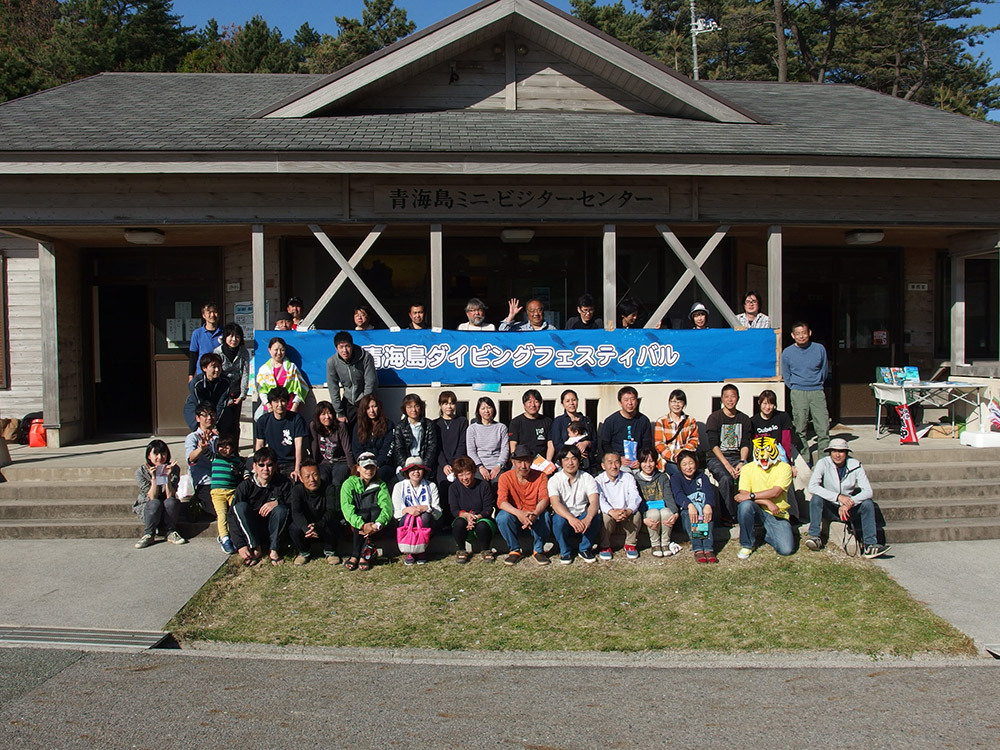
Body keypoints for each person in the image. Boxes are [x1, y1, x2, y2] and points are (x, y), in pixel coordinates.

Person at [805, 438, 889, 558]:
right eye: (834, 451)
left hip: (849, 509)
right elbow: (812, 487)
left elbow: (868, 491)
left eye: (841, 451)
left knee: (868, 504)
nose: (837, 455)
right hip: (830, 506)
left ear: (846, 453)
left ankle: (870, 545)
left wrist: (850, 502)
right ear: (830, 452)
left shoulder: (856, 465)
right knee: (816, 499)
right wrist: (837, 497)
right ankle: (814, 536)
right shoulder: (823, 463)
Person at [229, 447, 291, 567]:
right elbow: (232, 515)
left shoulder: (284, 483)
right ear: (254, 466)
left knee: (282, 509)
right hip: (252, 530)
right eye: (261, 465)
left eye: (269, 465)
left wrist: (278, 502)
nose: (265, 469)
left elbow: (293, 505)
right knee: (240, 506)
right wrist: (240, 545)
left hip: (274, 530)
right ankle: (254, 547)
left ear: (275, 466)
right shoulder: (245, 486)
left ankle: (274, 550)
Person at [734, 436, 795, 559]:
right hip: (757, 509)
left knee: (786, 549)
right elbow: (743, 495)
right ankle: (747, 545)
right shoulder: (747, 468)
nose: (763, 456)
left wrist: (752, 496)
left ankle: (768, 534)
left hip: (777, 513)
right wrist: (767, 502)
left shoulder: (785, 468)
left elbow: (775, 492)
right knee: (745, 506)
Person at [781, 321, 831, 461]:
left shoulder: (819, 349)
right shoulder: (787, 352)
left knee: (822, 426)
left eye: (804, 333)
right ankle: (805, 458)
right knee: (800, 427)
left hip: (817, 391)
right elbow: (786, 373)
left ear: (809, 333)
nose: (801, 336)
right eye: (798, 334)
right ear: (793, 335)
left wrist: (817, 382)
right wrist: (794, 386)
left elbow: (824, 370)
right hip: (798, 391)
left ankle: (824, 459)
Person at [496, 445, 552, 566]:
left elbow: (544, 498)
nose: (523, 466)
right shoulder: (505, 477)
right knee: (502, 517)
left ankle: (538, 550)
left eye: (526, 461)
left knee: (545, 515)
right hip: (515, 516)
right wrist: (519, 513)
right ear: (513, 462)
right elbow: (501, 502)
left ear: (531, 462)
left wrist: (535, 513)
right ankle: (514, 550)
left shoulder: (541, 476)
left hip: (534, 514)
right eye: (519, 462)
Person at [705, 384, 753, 524]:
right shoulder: (714, 418)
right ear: (722, 399)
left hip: (738, 457)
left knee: (749, 474)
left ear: (738, 398)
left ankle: (748, 513)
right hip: (717, 458)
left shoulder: (744, 419)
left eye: (733, 396)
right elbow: (713, 444)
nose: (730, 400)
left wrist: (742, 462)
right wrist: (726, 464)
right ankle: (728, 515)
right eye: (726, 397)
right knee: (725, 478)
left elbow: (745, 443)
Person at [340, 452, 393, 571]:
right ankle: (356, 554)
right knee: (361, 514)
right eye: (366, 467)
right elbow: (347, 509)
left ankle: (364, 555)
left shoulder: (381, 485)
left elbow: (387, 507)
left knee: (375, 511)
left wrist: (377, 525)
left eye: (372, 467)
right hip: (355, 525)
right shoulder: (348, 484)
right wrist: (362, 525)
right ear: (358, 468)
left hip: (375, 525)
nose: (369, 471)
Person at [548, 445, 600, 564]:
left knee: (595, 516)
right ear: (561, 462)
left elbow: (594, 501)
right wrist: (570, 518)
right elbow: (555, 504)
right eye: (566, 459)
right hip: (565, 516)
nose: (570, 463)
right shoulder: (554, 480)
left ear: (579, 460)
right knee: (558, 520)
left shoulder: (587, 477)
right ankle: (565, 551)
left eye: (574, 458)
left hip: (582, 515)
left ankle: (585, 549)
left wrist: (588, 518)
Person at [289, 459, 342, 566]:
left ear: (320, 474)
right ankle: (304, 552)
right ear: (301, 478)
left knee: (334, 523)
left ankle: (330, 552)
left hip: (323, 525)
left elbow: (331, 511)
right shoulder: (297, 490)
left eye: (315, 475)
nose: (312, 479)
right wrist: (306, 528)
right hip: (307, 530)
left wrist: (318, 525)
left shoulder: (329, 488)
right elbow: (296, 512)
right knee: (294, 527)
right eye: (307, 476)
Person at [133, 439, 184, 549]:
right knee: (155, 503)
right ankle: (149, 534)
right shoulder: (141, 472)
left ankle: (170, 532)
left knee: (171, 502)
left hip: (167, 507)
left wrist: (167, 476)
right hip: (149, 507)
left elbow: (170, 495)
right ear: (149, 455)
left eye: (163, 453)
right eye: (155, 454)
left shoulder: (174, 469)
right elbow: (152, 497)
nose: (160, 457)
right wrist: (154, 478)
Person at [391, 456, 442, 565]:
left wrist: (427, 508)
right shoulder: (399, 487)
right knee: (408, 517)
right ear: (407, 472)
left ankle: (421, 550)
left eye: (419, 469)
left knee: (425, 516)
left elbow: (438, 513)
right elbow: (396, 513)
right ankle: (409, 551)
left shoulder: (431, 486)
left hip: (426, 523)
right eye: (412, 470)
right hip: (407, 524)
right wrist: (407, 510)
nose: (416, 472)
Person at [670, 450, 718, 563]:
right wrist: (689, 505)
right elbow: (678, 495)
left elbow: (709, 493)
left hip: (701, 512)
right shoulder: (676, 478)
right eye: (684, 464)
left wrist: (708, 505)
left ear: (696, 463)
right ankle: (698, 548)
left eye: (690, 463)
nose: (688, 467)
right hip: (685, 516)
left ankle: (708, 548)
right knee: (691, 514)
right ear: (679, 466)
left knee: (706, 513)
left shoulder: (702, 477)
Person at [448, 455, 497, 563]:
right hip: (464, 519)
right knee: (459, 523)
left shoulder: (483, 486)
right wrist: (466, 516)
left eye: (467, 473)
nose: (464, 478)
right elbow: (454, 510)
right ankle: (461, 550)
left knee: (482, 525)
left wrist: (476, 517)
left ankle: (486, 550)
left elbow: (488, 508)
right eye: (460, 475)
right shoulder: (453, 488)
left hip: (481, 518)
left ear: (473, 473)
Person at [254, 385, 308, 481]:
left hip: (291, 462)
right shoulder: (263, 421)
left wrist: (297, 469)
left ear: (287, 402)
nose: (280, 405)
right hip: (271, 462)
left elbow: (298, 445)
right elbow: (259, 445)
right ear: (271, 403)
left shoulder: (296, 419)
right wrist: (259, 467)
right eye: (276, 401)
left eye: (283, 401)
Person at [595, 450, 643, 560]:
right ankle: (605, 546)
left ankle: (630, 544)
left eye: (616, 462)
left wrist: (628, 510)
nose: (614, 466)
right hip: (610, 514)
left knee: (636, 514)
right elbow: (600, 500)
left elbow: (635, 496)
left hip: (625, 514)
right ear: (603, 466)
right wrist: (612, 512)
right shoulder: (598, 480)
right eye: (610, 463)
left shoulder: (628, 477)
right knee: (605, 517)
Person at [635, 447, 679, 557]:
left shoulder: (662, 477)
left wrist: (675, 513)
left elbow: (668, 496)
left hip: (662, 509)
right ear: (639, 463)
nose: (648, 465)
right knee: (653, 513)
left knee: (667, 512)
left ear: (656, 462)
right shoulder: (636, 479)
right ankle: (655, 544)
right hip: (648, 513)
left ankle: (665, 543)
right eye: (644, 462)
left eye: (651, 461)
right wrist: (644, 518)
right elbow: (638, 502)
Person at [326, 330, 378, 424]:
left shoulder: (366, 357)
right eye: (341, 347)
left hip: (366, 402)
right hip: (348, 402)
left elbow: (370, 382)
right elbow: (333, 388)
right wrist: (339, 412)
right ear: (336, 348)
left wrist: (364, 404)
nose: (345, 350)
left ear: (352, 346)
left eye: (347, 346)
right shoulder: (332, 362)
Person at [598, 386, 653, 470]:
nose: (630, 403)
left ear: (637, 401)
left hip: (638, 462)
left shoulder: (644, 420)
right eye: (626, 400)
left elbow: (647, 444)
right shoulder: (611, 421)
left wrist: (640, 460)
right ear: (620, 403)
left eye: (632, 399)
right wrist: (618, 458)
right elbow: (605, 445)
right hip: (618, 463)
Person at [435, 390, 468, 519]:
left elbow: (462, 444)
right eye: (445, 403)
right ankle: (445, 521)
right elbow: (437, 447)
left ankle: (459, 518)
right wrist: (444, 465)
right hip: (442, 464)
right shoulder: (435, 424)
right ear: (440, 405)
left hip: (458, 462)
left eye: (452, 403)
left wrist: (455, 465)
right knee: (443, 486)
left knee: (458, 486)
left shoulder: (462, 421)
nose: (449, 406)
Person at [255, 337, 308, 416]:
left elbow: (301, 389)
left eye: (282, 350)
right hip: (270, 410)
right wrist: (269, 406)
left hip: (289, 409)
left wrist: (294, 406)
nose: (279, 353)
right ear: (269, 350)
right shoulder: (263, 370)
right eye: (276, 350)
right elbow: (261, 391)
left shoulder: (292, 368)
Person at [214, 322, 251, 438]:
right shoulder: (218, 352)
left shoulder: (243, 352)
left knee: (234, 424)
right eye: (231, 336)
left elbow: (245, 373)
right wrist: (225, 397)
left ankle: (234, 448)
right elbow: (216, 375)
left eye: (237, 336)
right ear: (225, 337)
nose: (234, 339)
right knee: (223, 422)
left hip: (236, 390)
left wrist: (242, 395)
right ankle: (222, 446)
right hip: (221, 390)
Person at [390, 393, 439, 477]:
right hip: (407, 463)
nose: (413, 410)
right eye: (409, 407)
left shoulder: (429, 425)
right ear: (404, 409)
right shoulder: (400, 426)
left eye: (416, 406)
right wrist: (406, 467)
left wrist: (424, 467)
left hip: (423, 462)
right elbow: (399, 449)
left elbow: (432, 448)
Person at [210, 434, 244, 554]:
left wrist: (243, 474)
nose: (224, 449)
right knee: (222, 514)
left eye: (227, 446)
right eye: (221, 446)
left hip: (231, 491)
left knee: (234, 512)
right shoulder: (214, 457)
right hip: (217, 493)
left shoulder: (236, 461)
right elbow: (205, 453)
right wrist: (203, 446)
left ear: (233, 448)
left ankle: (233, 535)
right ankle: (224, 539)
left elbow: (244, 469)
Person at [653, 388, 699, 476]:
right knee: (679, 474)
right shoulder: (661, 421)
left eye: (679, 402)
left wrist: (683, 453)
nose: (676, 405)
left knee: (693, 473)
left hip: (686, 458)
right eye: (673, 401)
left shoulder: (690, 420)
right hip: (667, 459)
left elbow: (694, 440)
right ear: (669, 403)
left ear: (684, 404)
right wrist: (673, 457)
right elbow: (659, 444)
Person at [184, 402, 219, 518]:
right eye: (205, 415)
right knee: (218, 510)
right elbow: (190, 459)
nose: (209, 418)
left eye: (212, 414)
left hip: (221, 481)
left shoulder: (218, 437)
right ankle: (198, 504)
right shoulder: (193, 437)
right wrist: (201, 449)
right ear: (198, 418)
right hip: (204, 483)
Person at [351, 393, 395, 485]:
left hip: (383, 465)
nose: (371, 410)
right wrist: (365, 464)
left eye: (374, 406)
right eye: (368, 408)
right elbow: (356, 450)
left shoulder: (388, 425)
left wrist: (375, 465)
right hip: (364, 464)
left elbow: (387, 450)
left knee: (380, 475)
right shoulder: (358, 426)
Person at [466, 396, 509, 486]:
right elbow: (471, 451)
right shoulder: (472, 428)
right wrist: (480, 467)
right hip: (479, 466)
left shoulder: (501, 427)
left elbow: (505, 449)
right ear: (478, 411)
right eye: (483, 408)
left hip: (497, 465)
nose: (486, 411)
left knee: (499, 483)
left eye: (489, 407)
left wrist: (498, 466)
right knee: (481, 485)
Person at [309, 400, 353, 487]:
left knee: (337, 480)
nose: (327, 417)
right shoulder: (314, 426)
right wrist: (313, 466)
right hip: (324, 462)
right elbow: (314, 446)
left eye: (329, 413)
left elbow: (347, 450)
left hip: (341, 462)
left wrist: (352, 469)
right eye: (323, 414)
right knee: (323, 478)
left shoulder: (340, 427)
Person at [183, 352, 230, 432]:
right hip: (196, 407)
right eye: (213, 367)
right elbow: (201, 405)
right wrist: (209, 425)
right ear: (204, 368)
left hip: (215, 407)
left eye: (219, 366)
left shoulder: (226, 382)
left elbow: (221, 404)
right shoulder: (196, 383)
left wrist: (214, 424)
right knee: (200, 430)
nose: (217, 370)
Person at [751, 389, 796, 467]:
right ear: (759, 403)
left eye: (771, 404)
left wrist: (788, 462)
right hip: (761, 456)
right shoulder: (753, 421)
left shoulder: (783, 417)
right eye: (765, 403)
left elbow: (786, 441)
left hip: (778, 454)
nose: (767, 407)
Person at [549, 389, 594, 461]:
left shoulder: (586, 421)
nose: (571, 403)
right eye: (567, 401)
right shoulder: (558, 421)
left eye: (574, 400)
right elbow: (557, 445)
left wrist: (587, 443)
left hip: (586, 462)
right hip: (566, 461)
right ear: (562, 404)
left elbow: (594, 441)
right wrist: (575, 453)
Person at [508, 389, 552, 459]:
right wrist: (515, 460)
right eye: (529, 402)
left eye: (536, 402)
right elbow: (513, 444)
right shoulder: (516, 422)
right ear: (524, 404)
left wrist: (548, 461)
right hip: (522, 459)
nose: (533, 405)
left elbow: (550, 444)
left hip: (541, 460)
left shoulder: (547, 421)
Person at [188, 302, 221, 383]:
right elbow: (193, 355)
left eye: (215, 312)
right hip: (202, 373)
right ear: (203, 315)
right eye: (209, 312)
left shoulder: (224, 333)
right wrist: (191, 375)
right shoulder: (197, 333)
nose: (212, 315)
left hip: (220, 373)